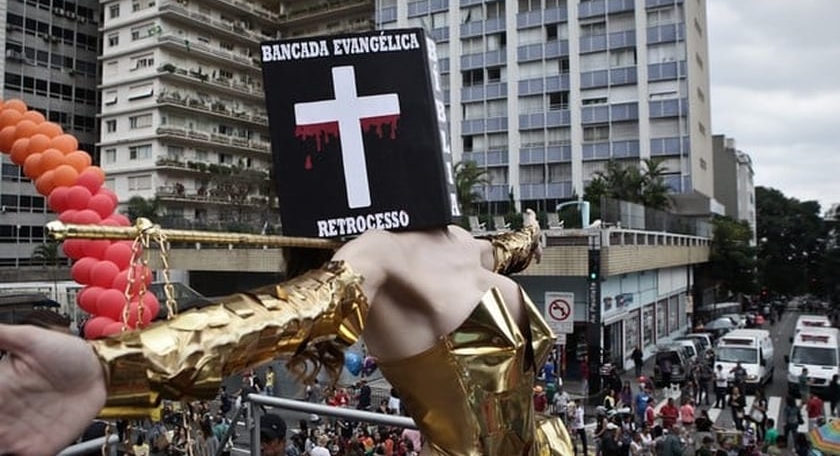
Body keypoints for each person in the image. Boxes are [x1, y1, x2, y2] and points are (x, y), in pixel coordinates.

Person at [0, 211, 575, 455]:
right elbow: (271, 318)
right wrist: (110, 368)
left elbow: (507, 249)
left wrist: (530, 234)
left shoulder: (454, 236)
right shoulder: (375, 255)